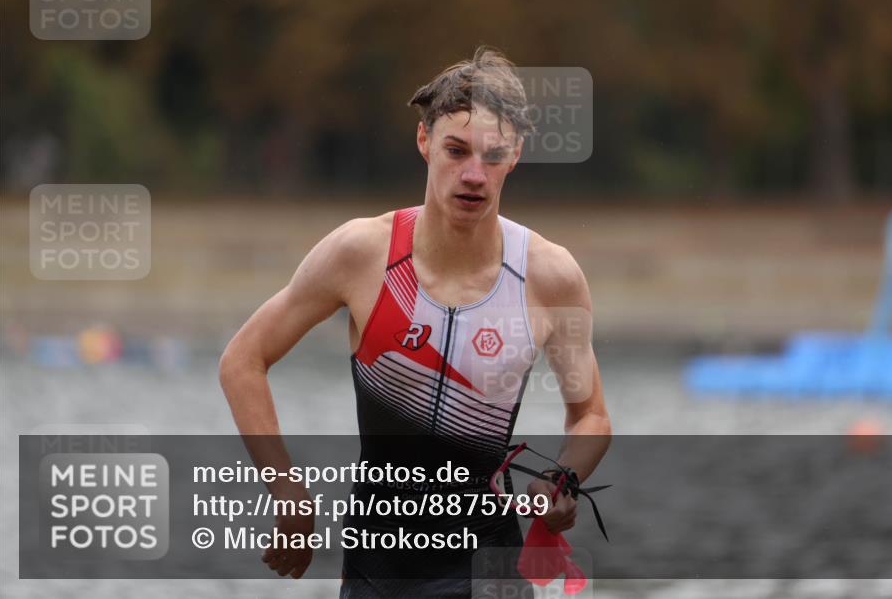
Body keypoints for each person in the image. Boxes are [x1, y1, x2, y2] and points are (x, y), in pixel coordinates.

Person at [219, 46, 611, 596]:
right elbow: (243, 359)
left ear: (516, 155)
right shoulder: (362, 253)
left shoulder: (550, 276)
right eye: (456, 150)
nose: (474, 175)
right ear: (425, 141)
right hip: (377, 567)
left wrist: (561, 479)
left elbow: (591, 415)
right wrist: (286, 487)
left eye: (492, 156)